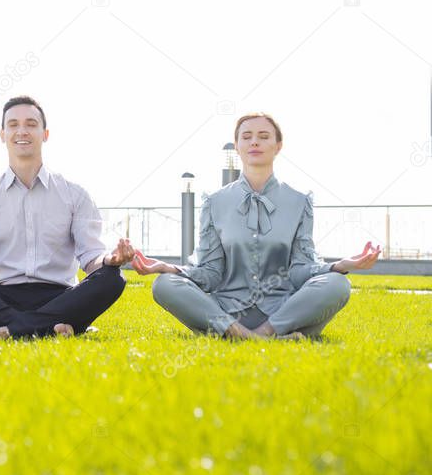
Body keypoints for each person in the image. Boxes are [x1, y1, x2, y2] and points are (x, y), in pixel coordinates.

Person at [132, 113, 381, 339]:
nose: (254, 142)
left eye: (264, 136)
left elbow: (300, 270)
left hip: (284, 310)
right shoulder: (215, 202)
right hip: (227, 309)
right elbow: (210, 273)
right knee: (164, 284)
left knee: (338, 284)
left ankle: (260, 333)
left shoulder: (299, 201)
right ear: (238, 147)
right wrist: (171, 269)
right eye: (246, 137)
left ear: (278, 146)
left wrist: (339, 266)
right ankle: (246, 335)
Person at [0, 96, 133, 339]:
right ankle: (53, 326)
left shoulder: (74, 194)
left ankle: (6, 329)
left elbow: (92, 259)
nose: (22, 131)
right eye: (13, 124)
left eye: (31, 124)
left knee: (113, 278)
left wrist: (111, 260)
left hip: (59, 296)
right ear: (2, 134)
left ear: (45, 134)